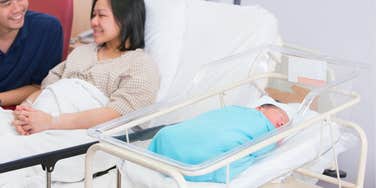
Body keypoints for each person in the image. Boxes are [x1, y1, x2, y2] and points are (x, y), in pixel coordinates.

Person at [10, 0, 159, 136]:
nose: (94, 22)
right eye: (93, 15)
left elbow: (118, 114)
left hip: (68, 131)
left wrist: (51, 122)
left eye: (101, 15)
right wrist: (24, 110)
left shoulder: (139, 64)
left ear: (127, 18)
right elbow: (47, 88)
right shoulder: (82, 52)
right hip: (36, 119)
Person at [148, 101, 290, 183]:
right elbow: (212, 119)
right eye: (281, 115)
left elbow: (260, 149)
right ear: (260, 108)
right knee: (174, 132)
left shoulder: (269, 134)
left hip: (207, 150)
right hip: (181, 135)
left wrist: (275, 140)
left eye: (286, 126)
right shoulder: (241, 112)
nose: (283, 123)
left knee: (220, 142)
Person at [0, 0, 63, 107]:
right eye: (6, 3)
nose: (17, 9)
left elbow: (44, 86)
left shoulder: (48, 28)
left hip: (29, 110)